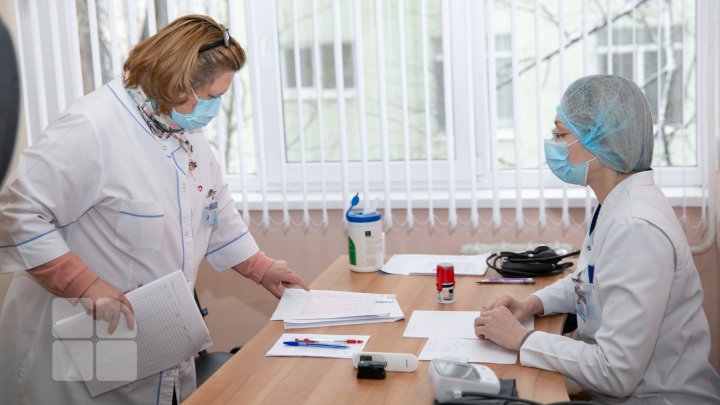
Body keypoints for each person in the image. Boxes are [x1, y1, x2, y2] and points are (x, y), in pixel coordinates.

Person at [0, 15, 310, 405]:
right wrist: (83, 283)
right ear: (178, 85)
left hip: (153, 336)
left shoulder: (183, 128)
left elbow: (214, 210)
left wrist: (260, 267)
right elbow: (17, 212)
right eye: (212, 96)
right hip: (89, 331)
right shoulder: (92, 127)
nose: (215, 108)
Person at [474, 75, 720, 404]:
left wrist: (521, 339)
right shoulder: (617, 202)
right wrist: (531, 304)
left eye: (561, 134)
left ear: (601, 140)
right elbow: (589, 281)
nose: (553, 144)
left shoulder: (636, 227)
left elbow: (616, 372)